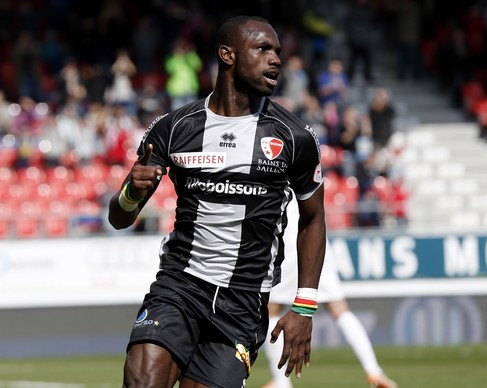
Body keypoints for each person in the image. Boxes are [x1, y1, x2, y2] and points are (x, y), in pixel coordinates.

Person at [108, 15, 326, 388]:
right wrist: (132, 192)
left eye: (277, 51)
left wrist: (303, 305)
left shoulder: (294, 138)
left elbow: (314, 218)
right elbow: (120, 217)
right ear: (227, 54)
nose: (275, 59)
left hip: (243, 303)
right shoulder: (174, 128)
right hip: (179, 286)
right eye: (262, 49)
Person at [262, 197, 398, 388]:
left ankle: (281, 382)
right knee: (340, 309)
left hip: (291, 241)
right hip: (316, 240)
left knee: (272, 311)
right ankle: (374, 371)